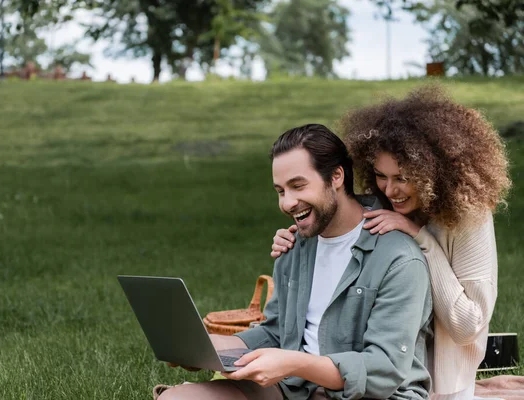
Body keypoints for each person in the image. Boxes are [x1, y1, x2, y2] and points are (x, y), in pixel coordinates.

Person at [159, 123, 433, 400]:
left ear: (336, 176)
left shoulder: (398, 258)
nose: (288, 203)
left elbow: (382, 370)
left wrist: (293, 363)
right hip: (296, 390)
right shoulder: (295, 246)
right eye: (280, 191)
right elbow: (277, 331)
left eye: (298, 186)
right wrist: (210, 347)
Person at [271, 86, 511, 400]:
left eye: (402, 177)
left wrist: (420, 238)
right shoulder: (386, 205)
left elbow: (468, 325)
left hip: (444, 380)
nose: (390, 189)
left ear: (432, 173)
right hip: (383, 376)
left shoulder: (469, 219)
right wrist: (298, 233)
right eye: (381, 175)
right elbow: (337, 221)